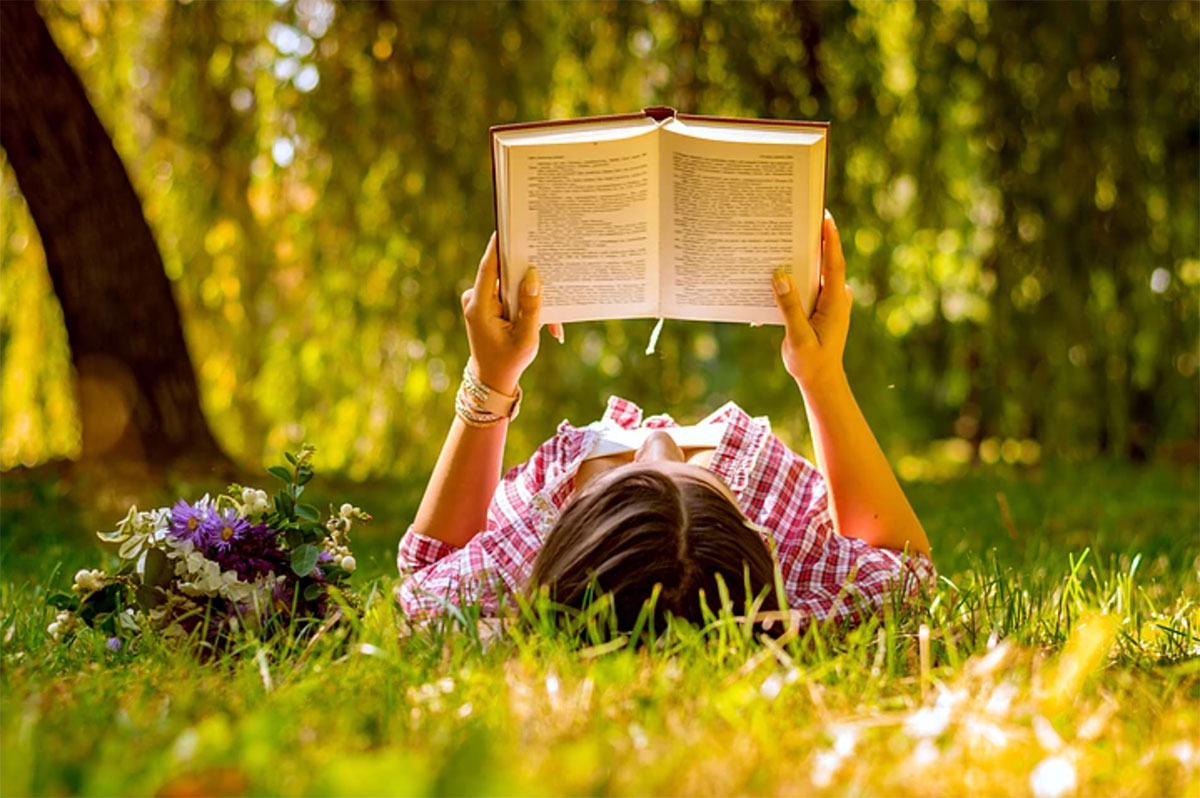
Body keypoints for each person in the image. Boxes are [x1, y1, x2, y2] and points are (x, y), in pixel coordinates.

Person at [396, 211, 935, 632]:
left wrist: (490, 379)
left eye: (624, 476)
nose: (657, 436)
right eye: (694, 469)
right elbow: (904, 571)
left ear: (571, 530)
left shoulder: (525, 557)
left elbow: (428, 573)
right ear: (751, 531)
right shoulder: (783, 549)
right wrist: (821, 375)